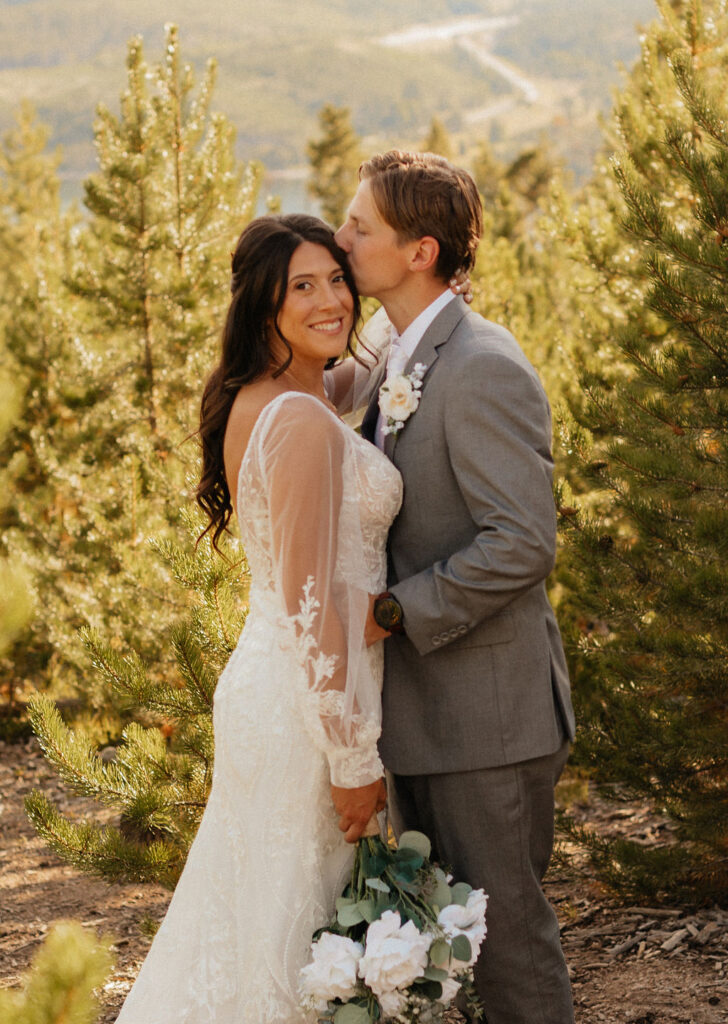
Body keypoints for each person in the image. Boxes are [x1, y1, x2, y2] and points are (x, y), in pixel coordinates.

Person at [114, 214, 401, 1024]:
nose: (329, 300)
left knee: (253, 927)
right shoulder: (302, 422)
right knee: (294, 943)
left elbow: (357, 377)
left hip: (274, 685)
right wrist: (353, 758)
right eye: (301, 287)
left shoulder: (280, 394)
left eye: (336, 279)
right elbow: (313, 605)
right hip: (307, 707)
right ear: (263, 306)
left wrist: (409, 308)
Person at [329, 151, 577, 1024]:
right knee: (452, 943)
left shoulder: (481, 367)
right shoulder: (396, 353)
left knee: (506, 944)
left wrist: (393, 611)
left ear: (420, 251)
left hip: (491, 720)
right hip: (427, 715)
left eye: (361, 227)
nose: (343, 237)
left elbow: (523, 542)